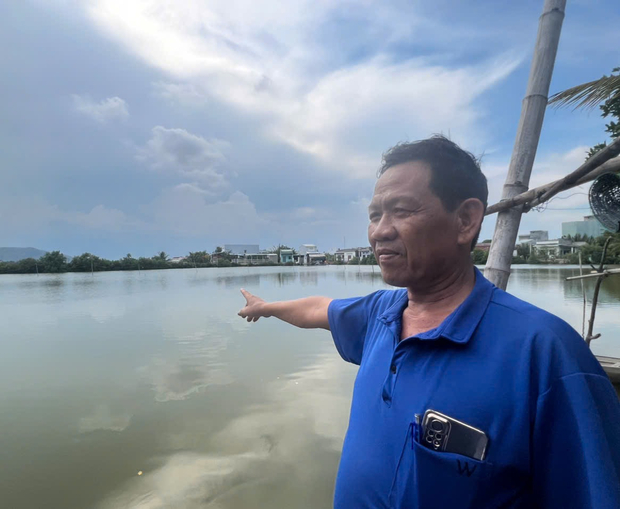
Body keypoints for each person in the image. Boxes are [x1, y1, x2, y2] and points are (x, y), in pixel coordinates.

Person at [238, 136, 620, 508]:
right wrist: (267, 307)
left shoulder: (544, 352)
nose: (380, 231)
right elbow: (318, 309)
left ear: (466, 221)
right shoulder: (380, 315)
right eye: (375, 215)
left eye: (402, 211)